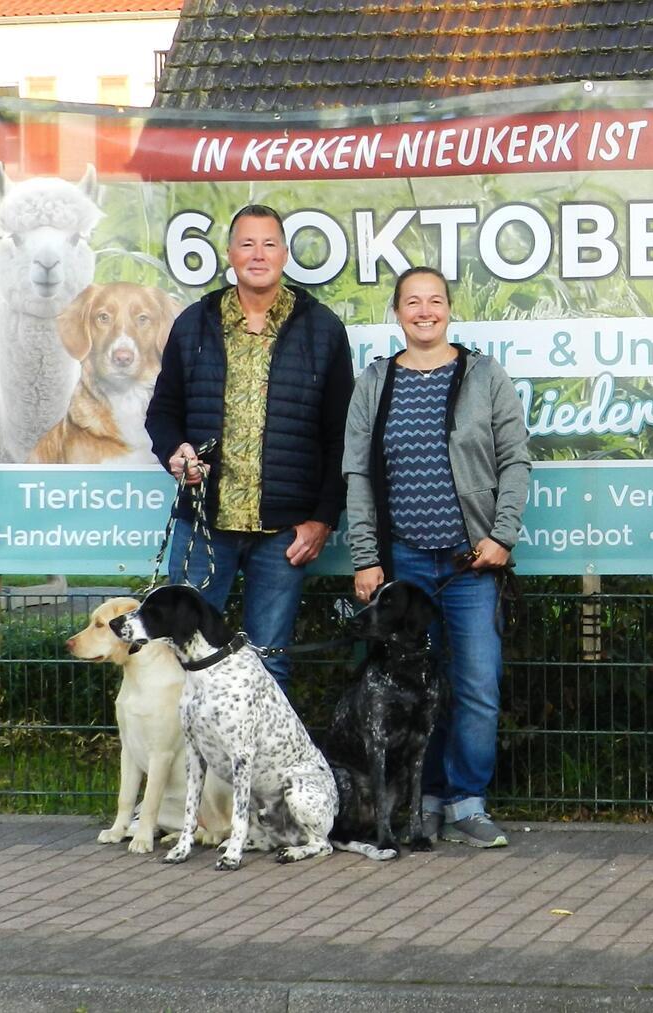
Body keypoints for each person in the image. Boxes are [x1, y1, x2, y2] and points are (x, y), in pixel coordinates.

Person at [343, 265, 531, 849]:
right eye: (412, 302)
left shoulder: (484, 375)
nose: (424, 312)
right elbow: (358, 474)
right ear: (397, 313)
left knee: (476, 685)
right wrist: (366, 557)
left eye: (435, 301)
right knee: (409, 690)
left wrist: (501, 536)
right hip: (403, 568)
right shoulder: (376, 381)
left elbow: (515, 460)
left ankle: (466, 803)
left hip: (470, 564)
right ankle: (421, 804)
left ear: (449, 309)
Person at [145, 204, 353, 692]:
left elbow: (341, 434)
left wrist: (322, 518)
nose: (258, 254)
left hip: (284, 532)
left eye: (269, 244)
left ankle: (263, 749)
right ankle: (181, 749)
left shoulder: (322, 328)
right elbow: (162, 412)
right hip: (204, 522)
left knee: (269, 664)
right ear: (229, 254)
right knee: (181, 658)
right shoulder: (195, 323)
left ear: (284, 254)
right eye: (247, 243)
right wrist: (175, 450)